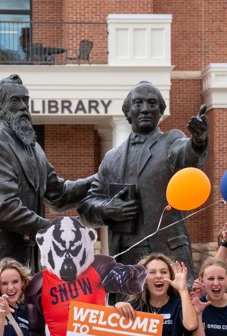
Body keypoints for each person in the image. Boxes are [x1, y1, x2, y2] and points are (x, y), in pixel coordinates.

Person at [0, 73, 94, 296]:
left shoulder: (34, 149)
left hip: (26, 260)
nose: (23, 107)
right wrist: (54, 230)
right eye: (15, 101)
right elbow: (4, 208)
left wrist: (98, 179)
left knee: (27, 324)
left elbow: (59, 194)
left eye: (25, 100)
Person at [78, 81, 209, 277]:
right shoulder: (112, 158)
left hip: (168, 255)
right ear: (128, 112)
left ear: (160, 111)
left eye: (152, 103)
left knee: (171, 308)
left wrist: (198, 142)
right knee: (127, 308)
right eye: (138, 103)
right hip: (126, 258)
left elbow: (186, 153)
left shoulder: (171, 141)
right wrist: (108, 209)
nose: (145, 109)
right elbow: (87, 206)